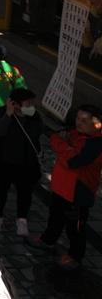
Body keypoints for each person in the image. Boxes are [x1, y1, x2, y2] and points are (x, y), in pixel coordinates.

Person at [29, 104, 102, 269]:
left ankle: (75, 256)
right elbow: (66, 148)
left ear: (97, 125)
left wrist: (58, 142)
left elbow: (72, 161)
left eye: (84, 120)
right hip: (61, 187)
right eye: (78, 118)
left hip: (78, 192)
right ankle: (48, 240)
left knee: (75, 227)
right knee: (55, 217)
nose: (79, 123)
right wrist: (65, 145)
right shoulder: (76, 134)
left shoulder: (96, 144)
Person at [0, 87, 42, 236]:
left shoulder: (34, 117)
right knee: (0, 190)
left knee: (25, 193)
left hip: (26, 162)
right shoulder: (2, 113)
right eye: (28, 103)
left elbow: (36, 134)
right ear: (15, 104)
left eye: (32, 103)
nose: (31, 106)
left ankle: (22, 220)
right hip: (4, 161)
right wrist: (8, 115)